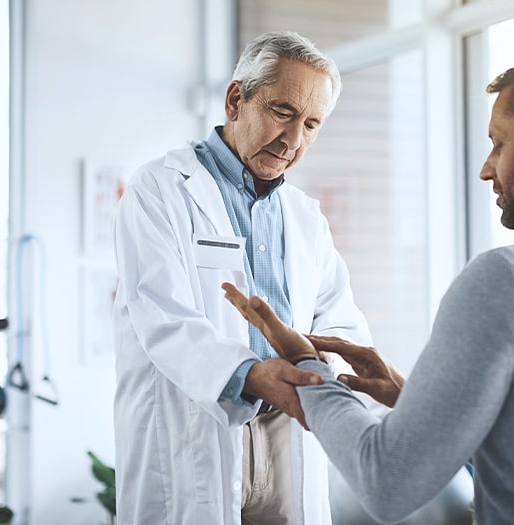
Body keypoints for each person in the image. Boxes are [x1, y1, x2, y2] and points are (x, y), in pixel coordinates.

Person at [221, 52, 514, 524]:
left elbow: (387, 482)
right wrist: (417, 403)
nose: (486, 168)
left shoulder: (511, 278)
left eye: (499, 143)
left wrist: (309, 369)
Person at [112, 31, 372, 524]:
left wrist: (323, 379)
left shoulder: (305, 217)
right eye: (283, 112)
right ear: (237, 99)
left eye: (312, 124)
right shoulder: (160, 190)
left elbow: (340, 321)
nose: (294, 141)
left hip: (289, 432)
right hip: (201, 422)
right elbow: (163, 317)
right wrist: (252, 375)